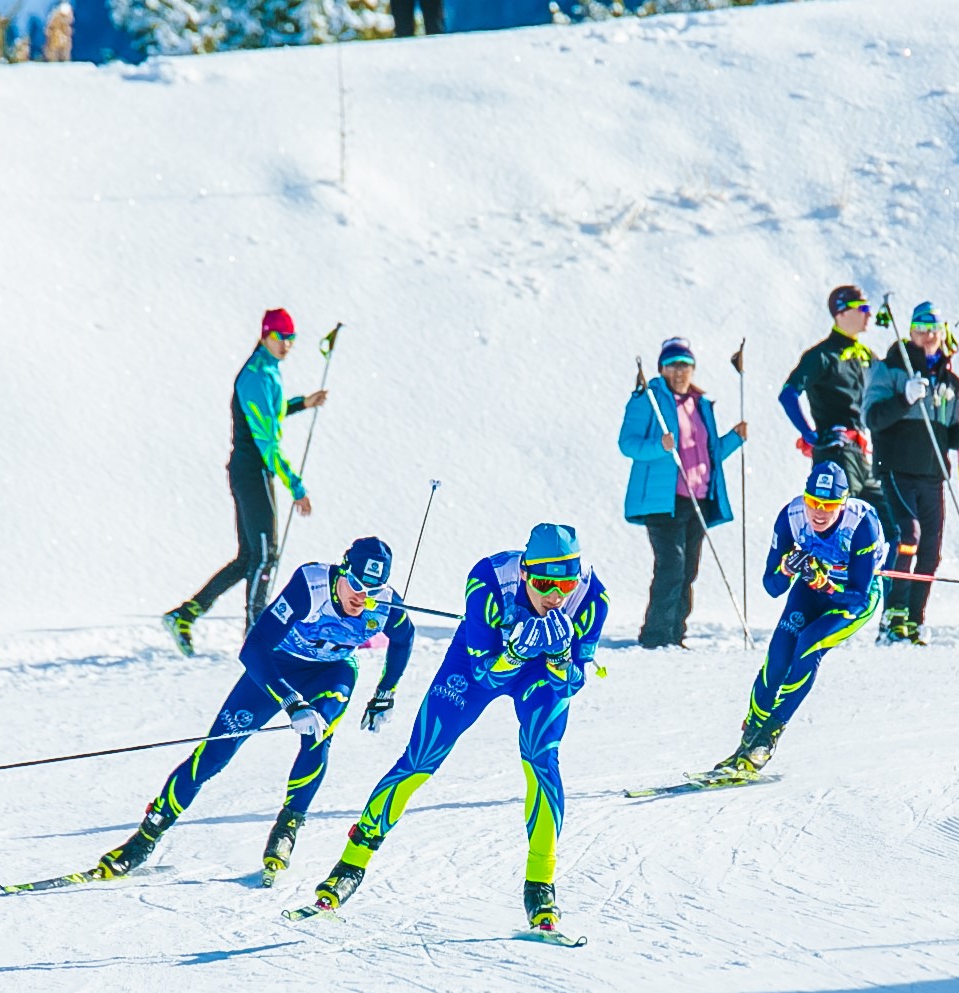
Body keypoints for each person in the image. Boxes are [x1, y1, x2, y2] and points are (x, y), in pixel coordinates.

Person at [309, 523, 609, 932]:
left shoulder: (592, 597)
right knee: (420, 758)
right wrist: (516, 652)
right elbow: (485, 675)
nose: (556, 597)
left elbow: (571, 685)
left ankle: (541, 883)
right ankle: (351, 864)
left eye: (566, 585)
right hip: (479, 665)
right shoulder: (489, 579)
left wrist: (558, 659)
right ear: (525, 572)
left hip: (540, 673)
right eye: (544, 584)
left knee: (542, 759)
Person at [98, 537, 415, 885]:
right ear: (343, 571)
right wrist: (291, 701)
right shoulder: (311, 586)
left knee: (318, 735)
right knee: (214, 753)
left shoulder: (384, 604)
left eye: (373, 589)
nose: (362, 597)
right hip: (277, 666)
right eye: (356, 584)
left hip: (332, 672)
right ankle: (144, 838)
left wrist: (385, 693)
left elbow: (404, 638)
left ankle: (287, 828)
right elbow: (253, 648)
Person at [163, 308, 326, 656]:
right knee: (265, 556)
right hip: (253, 472)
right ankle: (256, 636)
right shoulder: (255, 376)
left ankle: (185, 615)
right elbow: (267, 442)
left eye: (292, 339)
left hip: (251, 471)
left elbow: (270, 413)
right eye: (281, 337)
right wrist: (296, 487)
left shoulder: (268, 371)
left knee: (250, 557)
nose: (286, 345)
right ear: (265, 335)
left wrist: (302, 403)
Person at [712, 462, 886, 776]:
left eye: (829, 505)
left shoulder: (862, 524)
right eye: (813, 503)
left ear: (843, 503)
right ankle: (748, 740)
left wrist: (827, 585)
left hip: (851, 599)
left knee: (808, 644)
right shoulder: (791, 517)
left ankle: (768, 738)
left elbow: (859, 596)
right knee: (778, 658)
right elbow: (772, 587)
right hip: (812, 590)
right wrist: (786, 569)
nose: (819, 512)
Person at [864, 301, 959, 644]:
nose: (927, 335)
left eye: (933, 329)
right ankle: (894, 614)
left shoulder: (950, 381)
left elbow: (948, 432)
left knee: (931, 550)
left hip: (933, 473)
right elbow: (873, 417)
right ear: (910, 332)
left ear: (943, 334)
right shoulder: (891, 368)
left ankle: (915, 618)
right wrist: (904, 398)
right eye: (920, 329)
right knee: (908, 536)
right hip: (897, 468)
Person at [618, 336, 747, 648]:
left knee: (688, 570)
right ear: (662, 369)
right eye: (672, 365)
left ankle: (675, 634)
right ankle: (656, 636)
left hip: (697, 498)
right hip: (663, 500)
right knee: (671, 567)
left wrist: (734, 438)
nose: (679, 371)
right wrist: (659, 446)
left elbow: (710, 453)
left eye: (685, 365)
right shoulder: (648, 399)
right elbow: (628, 443)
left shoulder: (699, 404)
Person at [779, 285, 889, 521]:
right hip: (835, 453)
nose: (869, 314)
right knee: (839, 522)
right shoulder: (821, 355)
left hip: (861, 454)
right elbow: (788, 394)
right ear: (842, 313)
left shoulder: (865, 355)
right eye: (862, 308)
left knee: (887, 521)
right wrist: (810, 434)